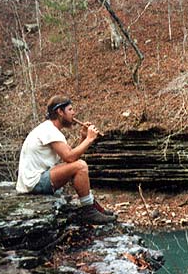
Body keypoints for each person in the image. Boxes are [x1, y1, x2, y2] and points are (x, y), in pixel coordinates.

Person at [16, 94, 116, 224]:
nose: (74, 113)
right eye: (70, 109)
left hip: (34, 181)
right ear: (60, 112)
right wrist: (90, 139)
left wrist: (83, 137)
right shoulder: (49, 131)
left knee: (78, 165)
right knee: (81, 166)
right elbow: (70, 157)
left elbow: (70, 157)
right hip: (34, 184)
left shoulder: (49, 129)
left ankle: (93, 207)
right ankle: (88, 211)